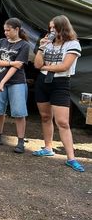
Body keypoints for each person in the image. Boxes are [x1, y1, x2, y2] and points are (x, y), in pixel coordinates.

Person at [32, 15, 84, 172]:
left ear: (63, 27)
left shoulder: (73, 44)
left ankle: (71, 158)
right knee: (46, 117)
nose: (51, 30)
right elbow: (36, 64)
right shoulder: (47, 43)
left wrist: (45, 67)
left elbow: (64, 67)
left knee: (63, 122)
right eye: (50, 28)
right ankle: (48, 148)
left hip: (60, 83)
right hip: (43, 82)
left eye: (54, 27)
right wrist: (41, 47)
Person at [0, 17, 30, 153]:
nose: (6, 33)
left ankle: (21, 141)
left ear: (16, 29)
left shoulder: (24, 45)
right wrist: (11, 62)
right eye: (4, 30)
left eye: (8, 30)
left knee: (18, 112)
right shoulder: (1, 42)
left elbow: (18, 66)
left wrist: (3, 81)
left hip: (16, 82)